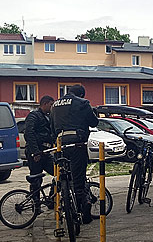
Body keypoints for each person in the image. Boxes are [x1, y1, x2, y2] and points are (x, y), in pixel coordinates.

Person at [50, 84, 99, 224]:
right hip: (77, 143)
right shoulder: (83, 103)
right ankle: (82, 209)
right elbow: (94, 122)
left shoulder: (55, 104)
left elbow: (52, 127)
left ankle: (63, 200)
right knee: (79, 178)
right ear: (81, 94)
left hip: (61, 143)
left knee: (63, 174)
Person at [24, 95, 55, 212]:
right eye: (51, 105)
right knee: (36, 179)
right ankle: (35, 205)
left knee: (58, 173)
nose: (52, 107)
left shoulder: (48, 117)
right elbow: (29, 134)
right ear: (45, 104)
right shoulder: (34, 116)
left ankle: (51, 199)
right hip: (35, 153)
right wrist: (35, 151)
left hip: (46, 152)